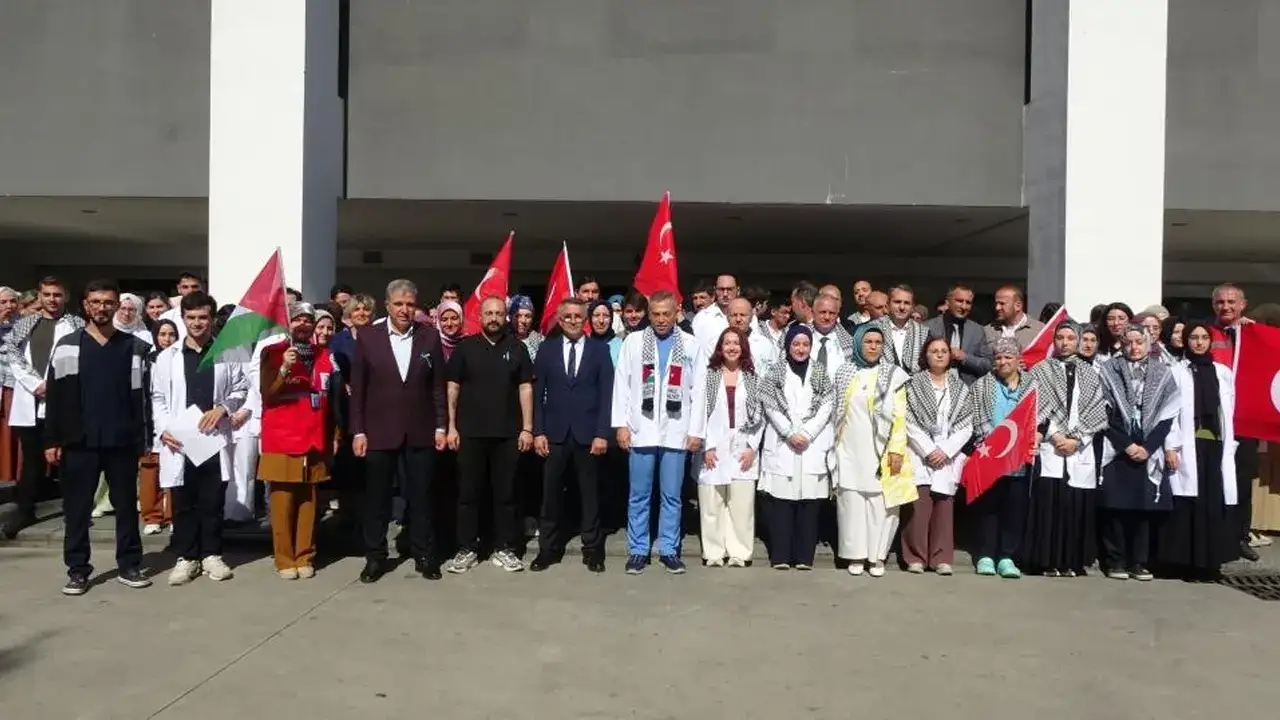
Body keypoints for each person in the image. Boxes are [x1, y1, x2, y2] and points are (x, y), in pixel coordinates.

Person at [43, 279, 153, 595]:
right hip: (79, 442)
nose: (102, 307)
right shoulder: (67, 346)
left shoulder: (134, 347)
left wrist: (144, 439)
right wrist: (52, 440)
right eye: (96, 302)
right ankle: (78, 570)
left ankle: (129, 565)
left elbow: (142, 398)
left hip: (121, 441)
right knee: (77, 510)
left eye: (108, 302)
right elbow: (55, 396)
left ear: (117, 305)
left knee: (126, 509)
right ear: (85, 305)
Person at [350, 280, 448, 583]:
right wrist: (358, 431)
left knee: (422, 497)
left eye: (410, 304)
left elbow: (438, 386)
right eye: (399, 304)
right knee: (377, 500)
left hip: (421, 430)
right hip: (379, 432)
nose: (405, 310)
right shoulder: (368, 337)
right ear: (388, 306)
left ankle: (424, 555)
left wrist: (441, 425)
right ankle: (375, 557)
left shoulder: (430, 336)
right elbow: (359, 389)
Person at [151, 291, 247, 586]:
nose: (196, 323)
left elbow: (240, 390)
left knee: (212, 500)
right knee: (183, 502)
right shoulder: (167, 357)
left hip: (213, 439)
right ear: (182, 318)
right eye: (191, 317)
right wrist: (163, 428)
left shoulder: (228, 353)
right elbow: (157, 398)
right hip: (180, 441)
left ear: (212, 318)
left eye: (202, 317)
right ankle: (187, 557)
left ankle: (211, 554)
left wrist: (223, 408)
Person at [612, 290, 701, 575]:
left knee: (672, 496)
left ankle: (669, 550)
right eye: (656, 314)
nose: (661, 320)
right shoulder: (634, 342)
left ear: (676, 314)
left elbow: (698, 390)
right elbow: (622, 385)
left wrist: (696, 430)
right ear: (648, 315)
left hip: (676, 429)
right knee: (639, 495)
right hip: (642, 428)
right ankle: (638, 550)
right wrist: (621, 425)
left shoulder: (691, 344)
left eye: (666, 314)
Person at [446, 295, 535, 573]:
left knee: (506, 495)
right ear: (480, 317)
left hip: (507, 435)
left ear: (505, 316)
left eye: (498, 313)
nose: (494, 318)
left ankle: (504, 548)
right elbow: (452, 387)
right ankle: (467, 548)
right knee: (468, 494)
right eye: (489, 313)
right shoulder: (465, 348)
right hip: (470, 434)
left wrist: (527, 428)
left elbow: (525, 388)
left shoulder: (517, 348)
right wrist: (451, 426)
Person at [257, 303, 339, 579]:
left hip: (314, 437)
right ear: (287, 323)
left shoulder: (324, 355)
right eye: (297, 320)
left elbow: (332, 399)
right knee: (282, 503)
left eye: (307, 320)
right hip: (282, 437)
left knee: (309, 503)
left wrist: (334, 434)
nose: (303, 325)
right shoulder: (273, 352)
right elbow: (267, 394)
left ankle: (305, 555)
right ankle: (284, 559)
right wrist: (284, 369)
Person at [530, 299, 612, 573]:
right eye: (568, 316)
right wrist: (538, 431)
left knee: (589, 495)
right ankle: (548, 549)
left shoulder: (599, 350)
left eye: (578, 316)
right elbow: (537, 394)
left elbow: (607, 395)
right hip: (554, 434)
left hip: (588, 434)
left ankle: (593, 549)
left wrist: (602, 433)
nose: (573, 321)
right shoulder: (547, 349)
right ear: (560, 319)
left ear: (585, 319)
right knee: (550, 495)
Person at [1024, 321, 1110, 577]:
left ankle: (1072, 561)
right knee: (1050, 504)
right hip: (1051, 445)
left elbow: (1097, 410)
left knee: (1075, 504)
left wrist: (1077, 439)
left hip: (1079, 447)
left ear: (1078, 341)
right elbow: (1035, 406)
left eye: (1070, 338)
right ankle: (1047, 561)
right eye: (1060, 337)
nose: (1065, 342)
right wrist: (1055, 435)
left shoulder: (1091, 373)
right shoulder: (1041, 370)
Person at [1, 276, 85, 539]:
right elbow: (13, 356)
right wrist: (35, 383)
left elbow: (82, 359)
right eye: (47, 294)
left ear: (66, 297)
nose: (52, 300)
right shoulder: (26, 324)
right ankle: (25, 510)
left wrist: (55, 385)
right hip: (31, 397)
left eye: (57, 295)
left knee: (68, 459)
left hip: (63, 401)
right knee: (31, 460)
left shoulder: (77, 325)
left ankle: (73, 511)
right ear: (39, 296)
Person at [1097, 325, 1181, 581]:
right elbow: (1104, 412)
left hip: (1148, 447)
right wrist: (1127, 445)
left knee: (1144, 508)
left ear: (1148, 343)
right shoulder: (1109, 370)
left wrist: (1148, 447)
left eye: (1139, 342)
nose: (1134, 347)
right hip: (1118, 447)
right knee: (1116, 506)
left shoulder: (1162, 372)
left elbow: (1168, 415)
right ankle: (1115, 561)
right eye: (1129, 342)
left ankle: (1139, 561)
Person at [1158, 321, 1240, 580]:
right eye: (1194, 337)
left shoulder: (1222, 372)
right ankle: (1188, 564)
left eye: (1204, 337)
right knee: (1190, 503)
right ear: (1186, 340)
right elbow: (1168, 412)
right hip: (1188, 445)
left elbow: (1228, 411)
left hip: (1215, 446)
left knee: (1213, 502)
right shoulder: (1176, 371)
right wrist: (1171, 446)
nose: (1199, 342)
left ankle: (1210, 564)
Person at [830, 325, 912, 577]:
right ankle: (856, 555)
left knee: (881, 506)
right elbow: (836, 412)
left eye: (878, 342)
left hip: (882, 450)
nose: (873, 346)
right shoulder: (844, 372)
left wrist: (896, 450)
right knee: (851, 504)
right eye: (868, 342)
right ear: (858, 344)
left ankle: (877, 557)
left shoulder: (894, 375)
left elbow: (900, 417)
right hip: (849, 448)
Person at [759, 324, 833, 570]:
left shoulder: (820, 373)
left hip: (811, 443)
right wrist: (790, 433)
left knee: (809, 504)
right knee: (782, 502)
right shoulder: (774, 373)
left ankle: (803, 557)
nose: (801, 349)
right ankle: (781, 555)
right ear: (787, 346)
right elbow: (770, 406)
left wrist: (808, 433)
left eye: (805, 344)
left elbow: (826, 406)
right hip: (784, 443)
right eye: (796, 344)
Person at [688, 327, 764, 568]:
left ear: (743, 348)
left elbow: (761, 415)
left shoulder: (753, 377)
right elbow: (699, 411)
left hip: (743, 447)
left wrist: (752, 447)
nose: (732, 347)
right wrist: (707, 447)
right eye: (727, 343)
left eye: (736, 343)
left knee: (741, 506)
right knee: (712, 504)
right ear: (720, 348)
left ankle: (739, 552)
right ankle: (713, 552)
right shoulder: (708, 376)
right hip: (714, 447)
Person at [902, 337, 973, 575]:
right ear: (926, 355)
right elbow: (908, 420)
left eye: (944, 351)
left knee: (944, 507)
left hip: (947, 454)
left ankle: (941, 557)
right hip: (920, 451)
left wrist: (946, 450)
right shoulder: (913, 385)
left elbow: (966, 425)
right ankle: (916, 557)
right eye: (934, 351)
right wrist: (929, 450)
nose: (940, 355)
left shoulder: (960, 387)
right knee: (919, 508)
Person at [969, 338, 1038, 579]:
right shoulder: (981, 385)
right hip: (991, 456)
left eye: (1008, 357)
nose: (1003, 362)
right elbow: (975, 417)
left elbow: (1040, 416)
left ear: (1019, 360)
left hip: (1019, 459)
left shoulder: (1033, 386)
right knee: (989, 508)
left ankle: (1007, 557)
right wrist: (993, 443)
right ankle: (986, 555)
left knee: (1014, 509)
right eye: (998, 357)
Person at [139, 319, 179, 535]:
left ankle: (173, 515)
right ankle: (152, 516)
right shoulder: (146, 360)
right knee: (150, 470)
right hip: (150, 423)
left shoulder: (181, 359)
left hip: (174, 422)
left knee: (175, 470)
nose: (167, 339)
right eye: (162, 334)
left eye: (171, 334)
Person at [924, 283, 992, 385]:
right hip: (934, 386)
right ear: (947, 302)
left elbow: (987, 365)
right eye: (959, 301)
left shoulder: (977, 330)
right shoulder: (928, 327)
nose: (964, 306)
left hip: (967, 388)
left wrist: (965, 357)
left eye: (968, 302)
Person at [875, 285, 930, 374]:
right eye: (897, 302)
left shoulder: (924, 332)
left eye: (907, 303)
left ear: (912, 307)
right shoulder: (873, 328)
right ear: (888, 305)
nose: (902, 307)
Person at [983, 285, 1044, 350]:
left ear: (1018, 306)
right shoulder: (988, 330)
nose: (997, 308)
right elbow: (981, 355)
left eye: (1002, 303)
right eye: (996, 303)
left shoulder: (1039, 330)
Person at [0, 286, 19, 484]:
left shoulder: (23, 324)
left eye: (12, 301)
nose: (9, 306)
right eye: (3, 302)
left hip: (16, 383)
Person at [692, 274, 737, 354]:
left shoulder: (750, 317)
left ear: (738, 290)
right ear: (715, 290)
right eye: (721, 289)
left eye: (729, 289)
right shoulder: (702, 318)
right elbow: (695, 351)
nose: (725, 294)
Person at [508, 294, 543, 361]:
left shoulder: (541, 342)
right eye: (518, 316)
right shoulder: (502, 340)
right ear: (510, 317)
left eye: (527, 316)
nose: (523, 320)